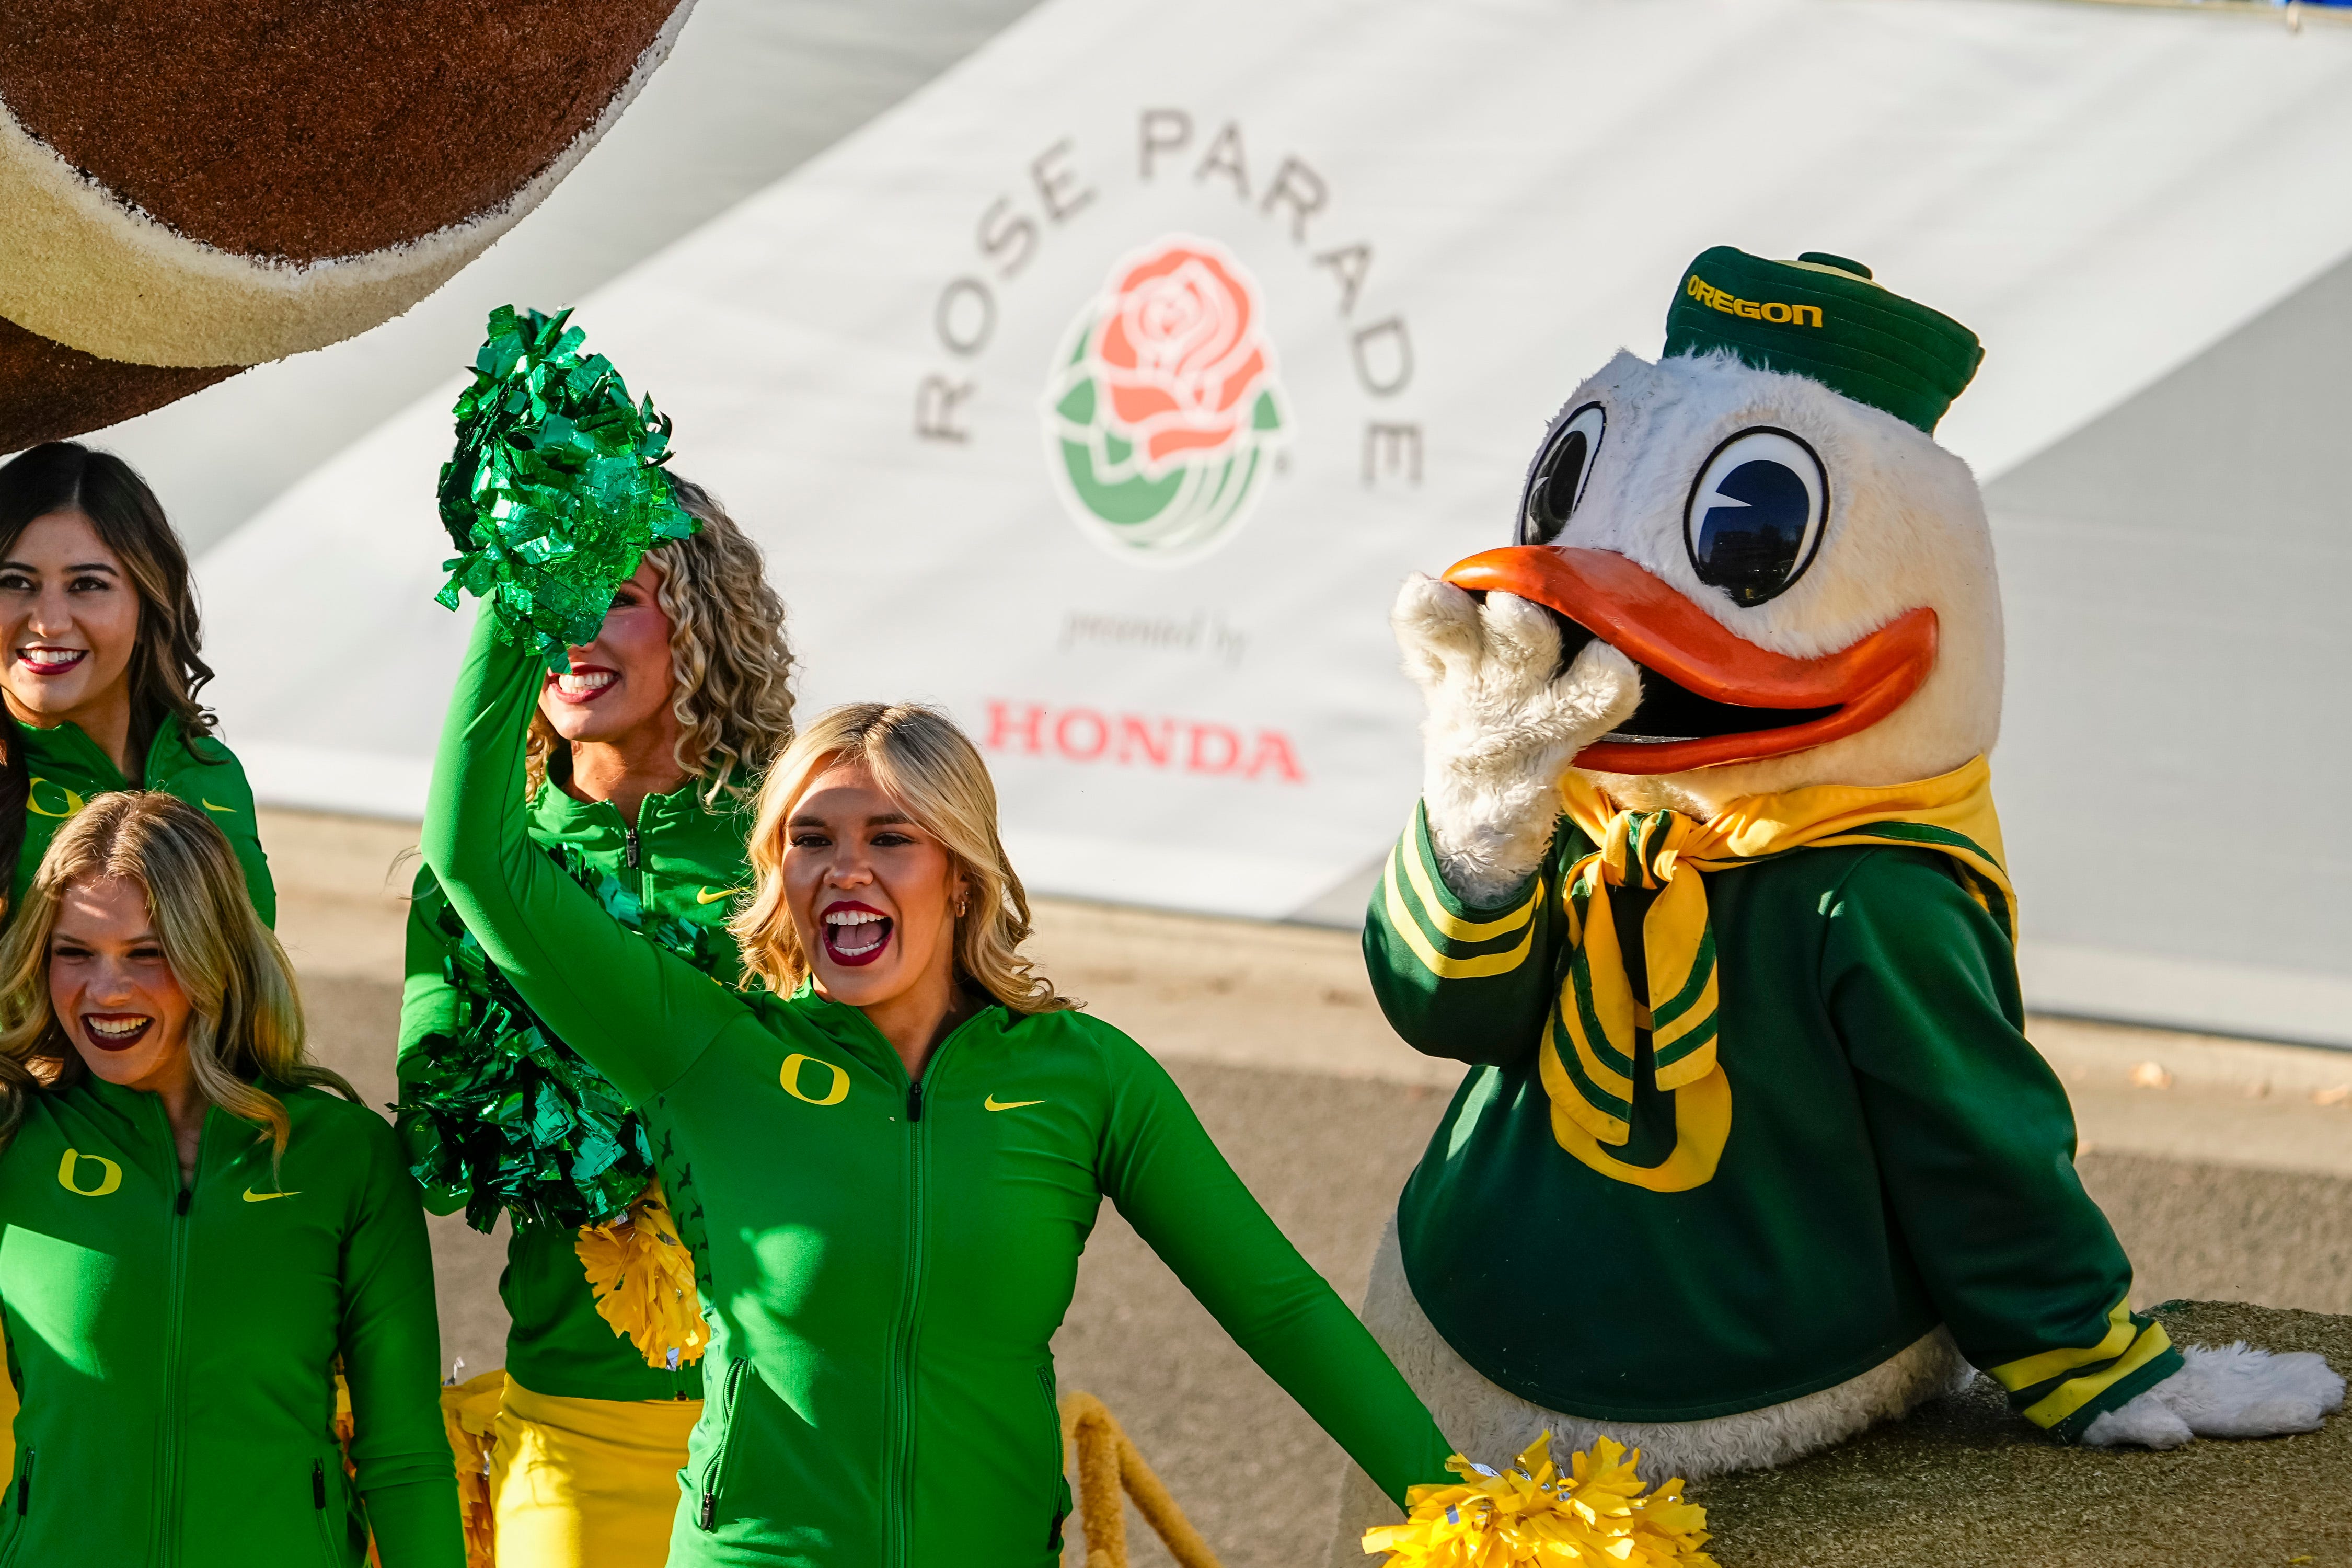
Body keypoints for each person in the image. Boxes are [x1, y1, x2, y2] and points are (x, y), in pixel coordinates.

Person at [420, 585, 1457, 1565]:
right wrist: (529, 583)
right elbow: (478, 858)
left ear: (960, 872)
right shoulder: (706, 1048)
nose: (845, 871)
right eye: (810, 840)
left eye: (891, 839)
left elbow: (1277, 1306)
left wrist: (1465, 1511)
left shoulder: (1084, 1078)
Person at [397, 477, 797, 1567]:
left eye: (615, 596)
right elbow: (443, 1140)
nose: (574, 628)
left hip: (789, 1424)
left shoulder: (796, 845)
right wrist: (593, 1125)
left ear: (702, 620)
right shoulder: (470, 880)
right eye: (545, 593)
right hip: (571, 1433)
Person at [0, 792, 458, 1566]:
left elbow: (405, 1454)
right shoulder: (14, 1138)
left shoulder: (341, 1155)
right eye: (73, 952)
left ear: (213, 953)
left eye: (148, 953)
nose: (105, 991)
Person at [0, 442, 272, 926]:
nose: (47, 622)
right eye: (16, 582)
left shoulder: (212, 772)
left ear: (149, 600)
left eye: (87, 585)